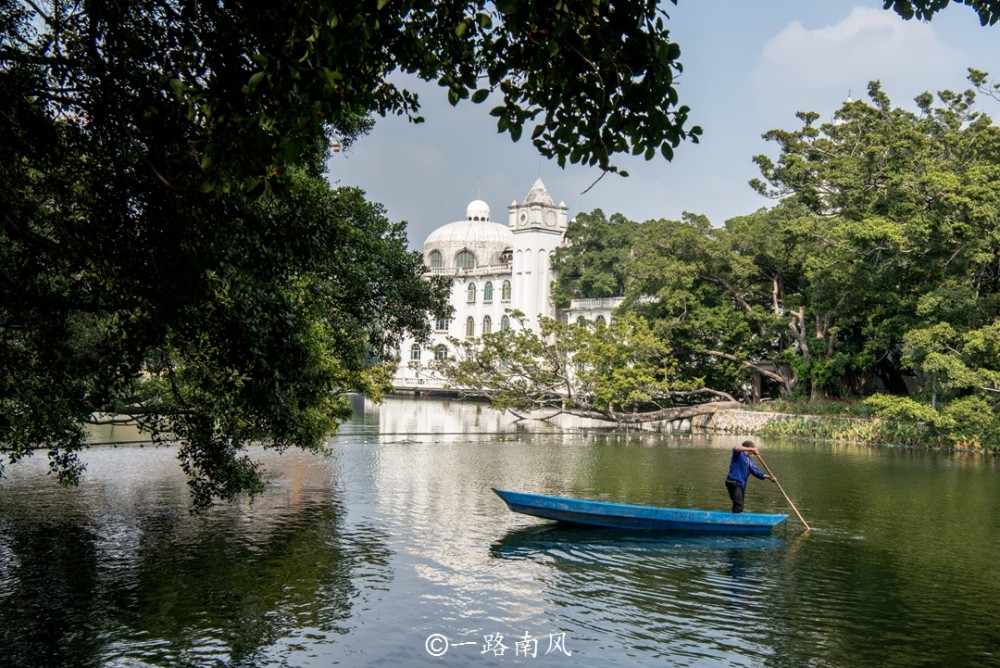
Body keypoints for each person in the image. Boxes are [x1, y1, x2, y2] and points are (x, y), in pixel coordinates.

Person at [725, 440, 777, 513]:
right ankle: (731, 521)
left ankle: (736, 520)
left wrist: (769, 477)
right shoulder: (739, 454)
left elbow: (756, 472)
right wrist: (751, 449)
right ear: (750, 448)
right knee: (738, 506)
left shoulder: (749, 460)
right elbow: (736, 448)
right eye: (753, 448)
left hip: (741, 485)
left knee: (740, 507)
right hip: (733, 482)